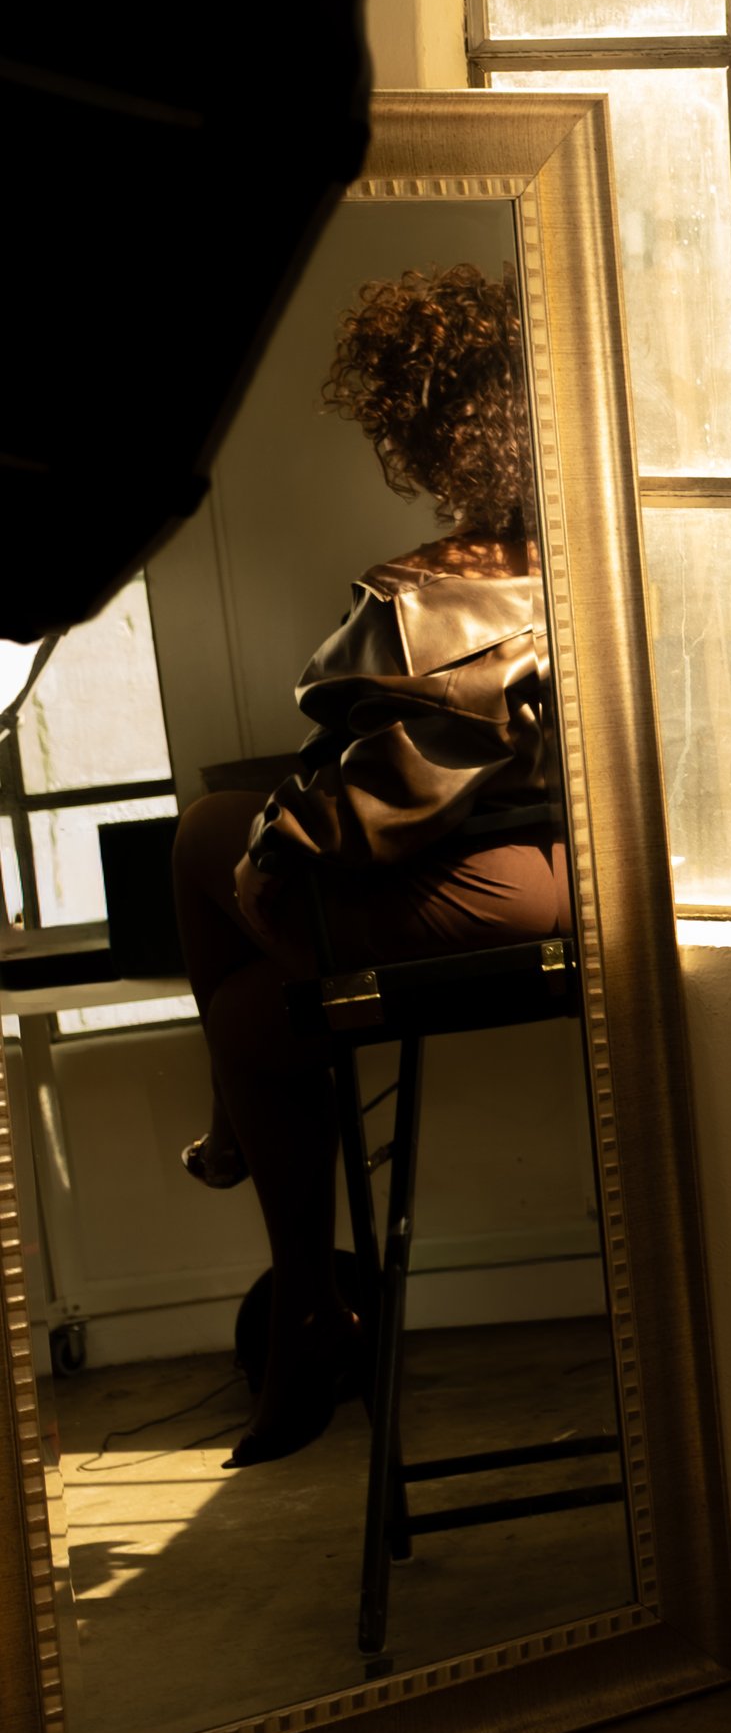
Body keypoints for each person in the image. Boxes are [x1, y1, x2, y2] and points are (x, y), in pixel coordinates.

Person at [171, 262, 569, 1469]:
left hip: (516, 884)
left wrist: (269, 852)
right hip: (568, 862)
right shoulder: (616, 535)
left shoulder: (436, 591)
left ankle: (305, 1302)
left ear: (428, 423)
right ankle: (299, 1293)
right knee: (250, 1013)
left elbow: (396, 782)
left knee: (208, 854)